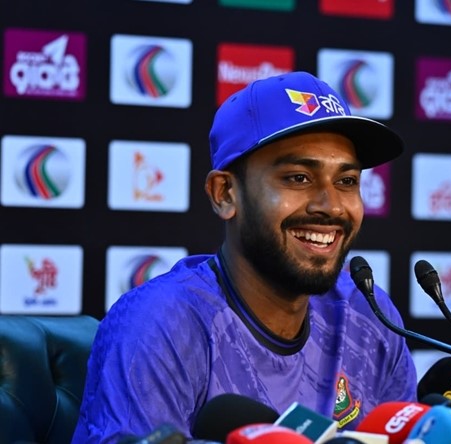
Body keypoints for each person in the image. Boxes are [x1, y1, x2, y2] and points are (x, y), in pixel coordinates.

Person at [72, 71, 417, 443]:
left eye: (346, 181)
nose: (331, 205)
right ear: (224, 194)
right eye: (299, 178)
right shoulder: (159, 325)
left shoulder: (367, 315)